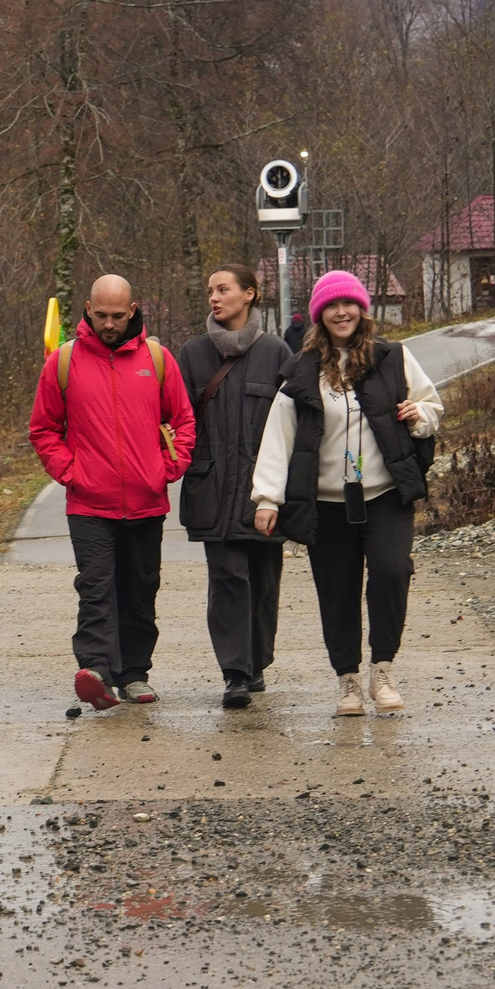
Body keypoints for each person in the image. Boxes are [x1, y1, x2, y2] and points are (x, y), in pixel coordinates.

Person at [251, 269, 441, 716]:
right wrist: (266, 498)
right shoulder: (301, 372)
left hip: (386, 496)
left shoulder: (393, 358)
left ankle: (384, 670)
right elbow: (278, 438)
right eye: (332, 306)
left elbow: (432, 408)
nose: (342, 312)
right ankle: (349, 683)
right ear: (320, 315)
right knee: (337, 591)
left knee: (393, 573)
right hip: (328, 504)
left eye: (349, 304)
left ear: (362, 309)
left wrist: (418, 415)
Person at [29, 273, 196, 711]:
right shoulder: (63, 363)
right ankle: (98, 670)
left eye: (117, 316)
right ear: (87, 309)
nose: (109, 324)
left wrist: (168, 467)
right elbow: (43, 428)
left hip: (146, 501)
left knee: (140, 591)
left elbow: (184, 419)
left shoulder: (157, 360)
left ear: (133, 310)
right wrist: (71, 472)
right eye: (101, 315)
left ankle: (135, 674)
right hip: (89, 503)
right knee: (96, 588)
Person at [176, 263, 293, 709]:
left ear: (250, 294)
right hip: (211, 489)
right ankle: (235, 672)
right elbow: (178, 421)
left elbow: (294, 425)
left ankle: (257, 663)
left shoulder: (277, 352)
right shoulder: (192, 354)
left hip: (264, 491)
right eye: (210, 290)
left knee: (263, 581)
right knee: (227, 578)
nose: (214, 297)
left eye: (223, 289)